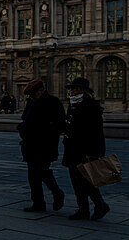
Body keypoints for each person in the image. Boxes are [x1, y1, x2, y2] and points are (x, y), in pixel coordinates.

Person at [62, 77, 109, 221]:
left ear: (82, 91)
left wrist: (95, 153)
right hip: (72, 148)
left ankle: (100, 204)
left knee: (87, 180)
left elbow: (96, 132)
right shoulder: (73, 105)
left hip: (84, 150)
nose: (71, 92)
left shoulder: (91, 107)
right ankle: (83, 209)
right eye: (71, 89)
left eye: (74, 89)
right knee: (76, 181)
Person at [17, 78, 66, 213]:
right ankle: (38, 202)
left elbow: (60, 123)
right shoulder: (31, 102)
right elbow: (24, 119)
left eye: (34, 93)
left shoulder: (52, 102)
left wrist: (47, 131)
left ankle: (57, 193)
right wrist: (22, 129)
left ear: (41, 90)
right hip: (30, 144)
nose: (32, 96)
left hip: (45, 144)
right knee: (33, 174)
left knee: (42, 171)